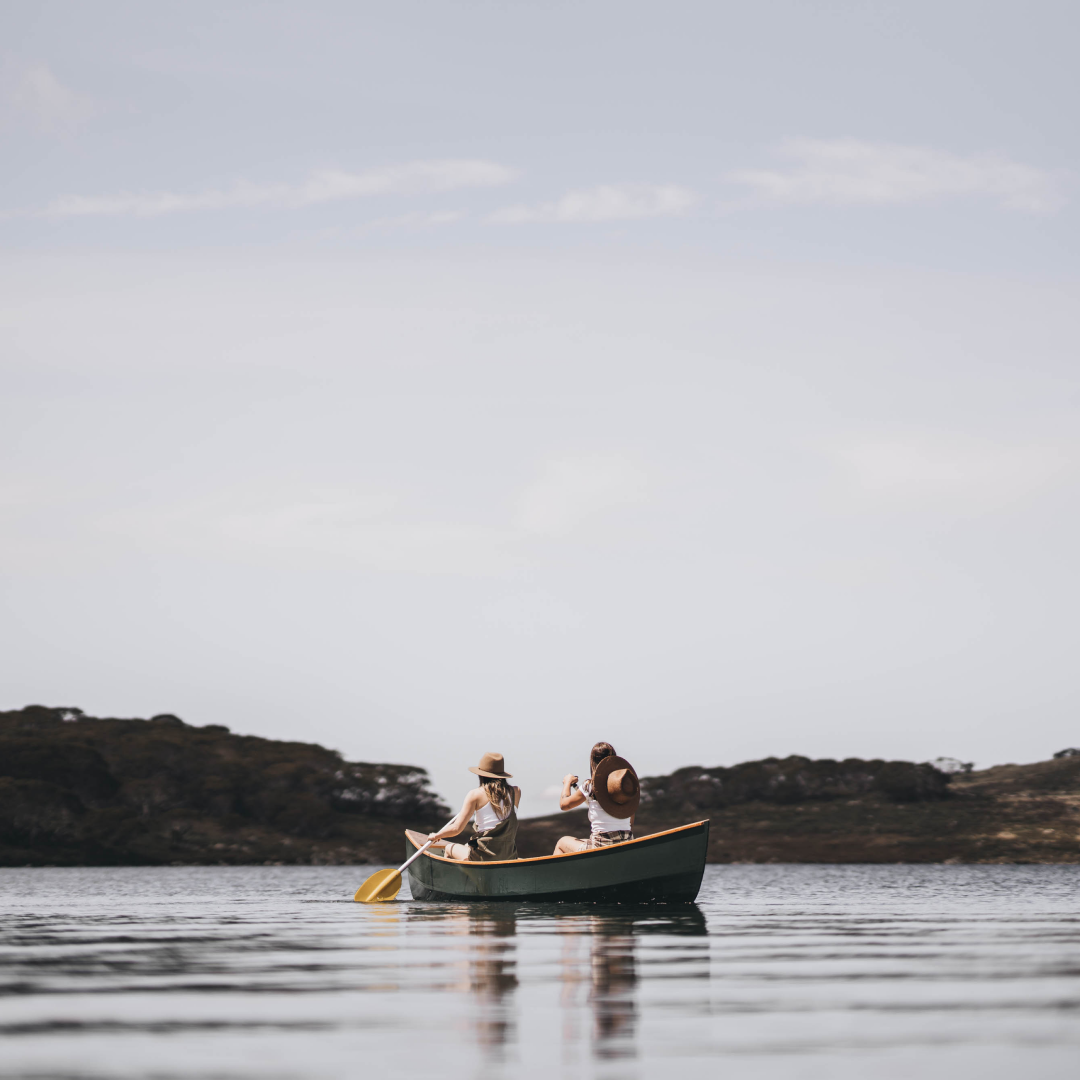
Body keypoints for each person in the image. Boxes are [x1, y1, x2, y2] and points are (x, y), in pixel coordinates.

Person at [427, 752, 521, 861]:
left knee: (448, 848)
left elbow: (456, 828)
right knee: (467, 846)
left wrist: (436, 836)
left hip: (484, 856)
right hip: (509, 855)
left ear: (481, 775)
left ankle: (457, 877)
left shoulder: (475, 795)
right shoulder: (516, 792)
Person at [554, 742, 640, 854]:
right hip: (626, 843)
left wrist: (567, 782)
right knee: (582, 841)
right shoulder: (625, 788)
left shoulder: (590, 786)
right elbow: (630, 825)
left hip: (599, 846)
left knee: (562, 842)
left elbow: (564, 805)